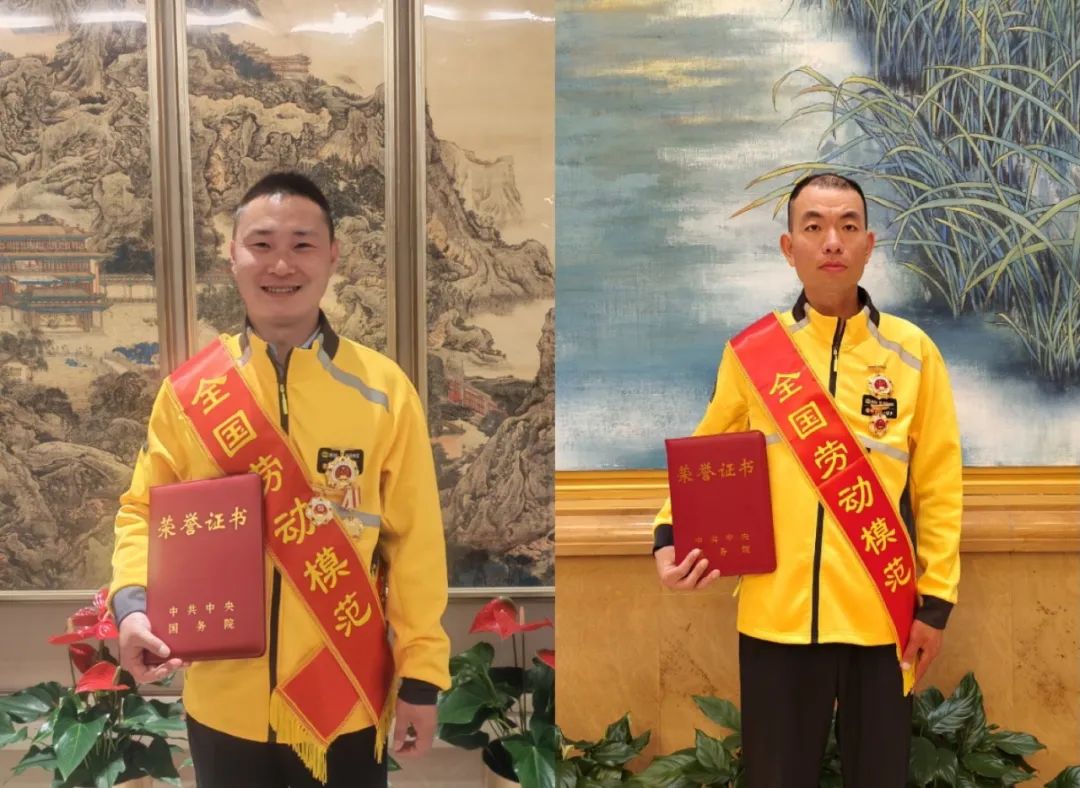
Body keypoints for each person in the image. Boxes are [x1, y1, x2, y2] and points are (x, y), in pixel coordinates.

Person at [109, 172, 450, 787]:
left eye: (302, 244)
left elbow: (415, 545)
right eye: (262, 244)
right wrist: (133, 607)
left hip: (343, 693)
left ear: (332, 255)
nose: (281, 264)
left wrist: (421, 678)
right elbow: (143, 512)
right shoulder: (189, 395)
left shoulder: (385, 392)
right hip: (223, 702)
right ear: (232, 256)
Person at [652, 173, 962, 788]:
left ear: (869, 244)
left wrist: (935, 605)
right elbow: (705, 456)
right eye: (814, 227)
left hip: (882, 617)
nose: (832, 241)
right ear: (788, 247)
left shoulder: (912, 354)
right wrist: (669, 537)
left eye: (848, 226)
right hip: (777, 617)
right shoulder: (752, 353)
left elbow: (939, 486)